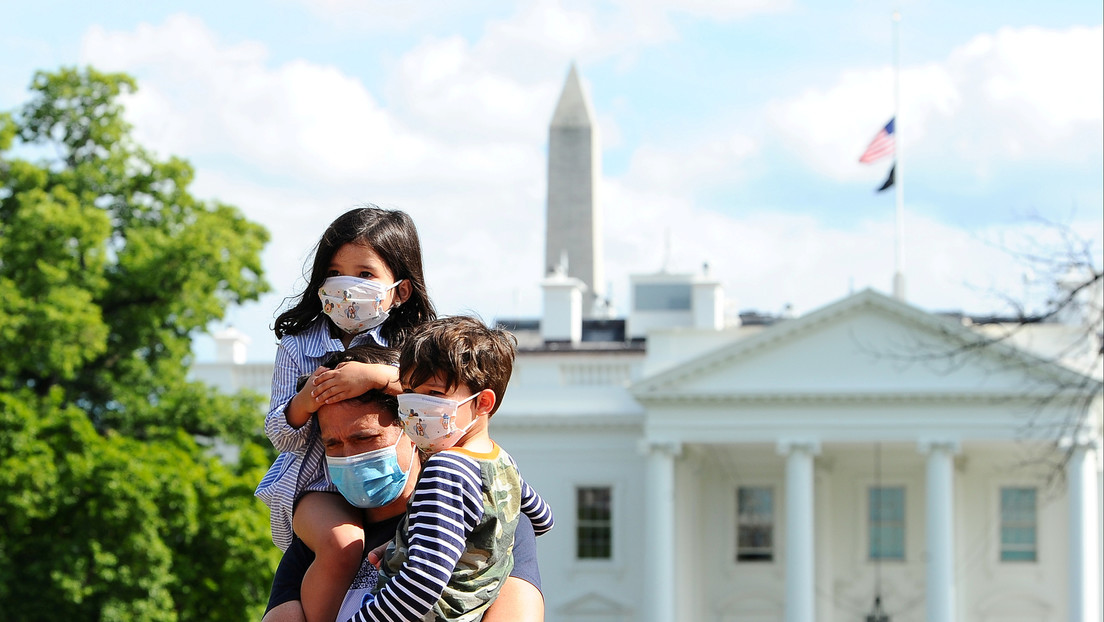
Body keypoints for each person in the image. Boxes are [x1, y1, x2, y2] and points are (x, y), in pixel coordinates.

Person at [261, 345, 545, 622]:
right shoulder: (321, 541)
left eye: (365, 438)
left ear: (413, 427)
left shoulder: (493, 521)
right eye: (333, 444)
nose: (349, 456)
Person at [255, 206, 435, 622]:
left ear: (401, 290)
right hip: (317, 485)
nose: (347, 286)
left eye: (365, 275)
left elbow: (433, 405)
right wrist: (306, 402)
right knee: (341, 546)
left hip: (394, 486)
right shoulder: (297, 346)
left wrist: (376, 377)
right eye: (335, 272)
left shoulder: (416, 346)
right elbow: (279, 433)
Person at [350, 316, 554, 622]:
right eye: (409, 391)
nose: (416, 407)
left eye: (433, 394)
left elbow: (422, 582)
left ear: (483, 403)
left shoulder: (445, 469)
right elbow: (541, 518)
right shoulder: (503, 463)